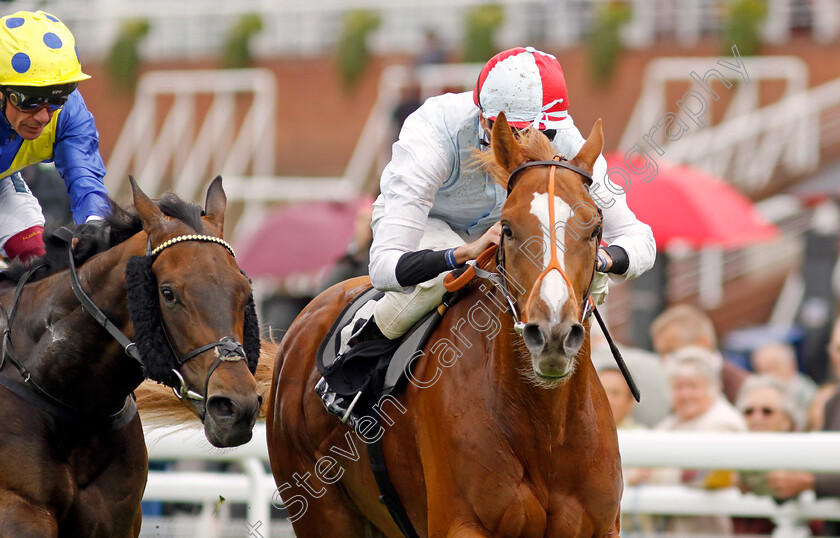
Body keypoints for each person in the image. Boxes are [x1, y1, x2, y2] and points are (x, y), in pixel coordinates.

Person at [366, 46, 656, 341]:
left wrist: (601, 260)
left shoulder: (567, 138)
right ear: (484, 120)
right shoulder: (434, 133)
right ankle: (359, 348)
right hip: (428, 224)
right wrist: (465, 252)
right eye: (513, 132)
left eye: (541, 134)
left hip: (511, 234)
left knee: (591, 276)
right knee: (441, 279)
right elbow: (384, 266)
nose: (527, 144)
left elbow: (640, 239)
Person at [0, 10, 110, 263]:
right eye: (30, 100)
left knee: (36, 260)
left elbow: (84, 176)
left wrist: (94, 224)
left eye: (56, 98)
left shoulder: (69, 111)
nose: (43, 116)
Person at [651, 346, 746, 535]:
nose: (685, 394)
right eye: (679, 387)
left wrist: (653, 475)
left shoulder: (725, 421)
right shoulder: (671, 422)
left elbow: (704, 474)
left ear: (712, 388)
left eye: (693, 386)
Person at [650, 304, 749, 404]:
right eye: (660, 354)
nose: (664, 360)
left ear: (702, 343)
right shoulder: (666, 389)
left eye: (671, 351)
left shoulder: (742, 388)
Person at [751, 341, 817, 413]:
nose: (767, 377)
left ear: (791, 366)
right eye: (760, 371)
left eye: (772, 368)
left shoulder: (808, 395)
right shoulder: (757, 395)